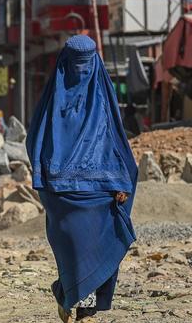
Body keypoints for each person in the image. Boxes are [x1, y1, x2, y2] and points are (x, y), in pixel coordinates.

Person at [26, 35, 137, 322]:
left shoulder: (102, 98)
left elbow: (116, 142)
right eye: (77, 63)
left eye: (86, 63)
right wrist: (45, 176)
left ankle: (82, 308)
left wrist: (121, 182)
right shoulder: (54, 100)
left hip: (100, 191)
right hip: (61, 192)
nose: (82, 70)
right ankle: (68, 293)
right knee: (73, 249)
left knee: (97, 245)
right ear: (65, 63)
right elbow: (35, 141)